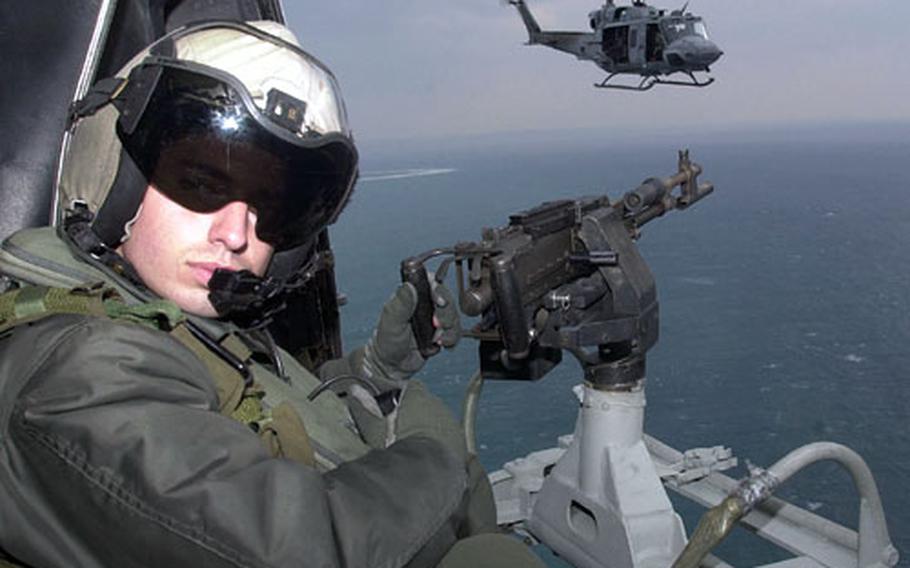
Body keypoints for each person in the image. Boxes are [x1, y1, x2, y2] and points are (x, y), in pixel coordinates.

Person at [0, 20, 544, 568]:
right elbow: (295, 549)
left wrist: (379, 373)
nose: (236, 235)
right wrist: (439, 462)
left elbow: (264, 424)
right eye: (203, 185)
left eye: (268, 208)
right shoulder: (79, 366)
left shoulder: (168, 322)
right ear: (116, 175)